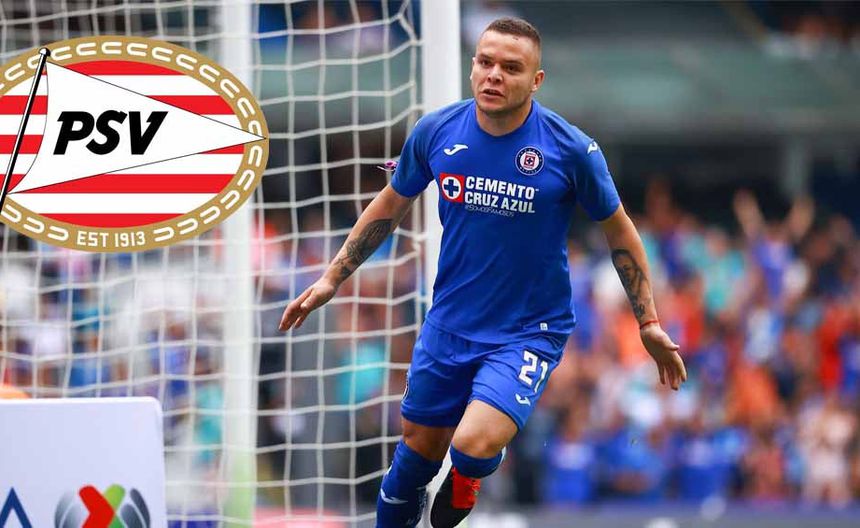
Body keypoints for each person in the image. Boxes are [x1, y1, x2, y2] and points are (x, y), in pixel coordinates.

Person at [279, 17, 687, 528]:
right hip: (449, 323)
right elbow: (390, 205)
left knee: (471, 444)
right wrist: (332, 278)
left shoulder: (571, 150)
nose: (494, 75)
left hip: (528, 331)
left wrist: (648, 321)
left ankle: (471, 474)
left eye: (511, 68)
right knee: (415, 459)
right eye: (486, 62)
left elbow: (620, 232)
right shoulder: (436, 132)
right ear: (473, 66)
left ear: (536, 80)